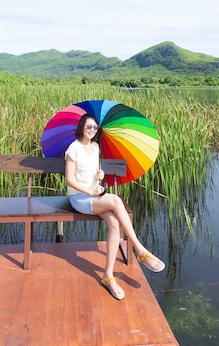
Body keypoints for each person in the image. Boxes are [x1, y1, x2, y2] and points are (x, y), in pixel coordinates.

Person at [65, 113, 165, 300]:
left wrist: (99, 175)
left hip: (95, 195)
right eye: (88, 127)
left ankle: (108, 276)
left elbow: (92, 174)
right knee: (116, 201)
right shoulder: (74, 148)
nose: (92, 130)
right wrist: (89, 190)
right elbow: (69, 179)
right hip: (79, 198)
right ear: (81, 127)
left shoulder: (95, 147)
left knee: (114, 223)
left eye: (95, 128)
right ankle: (140, 249)